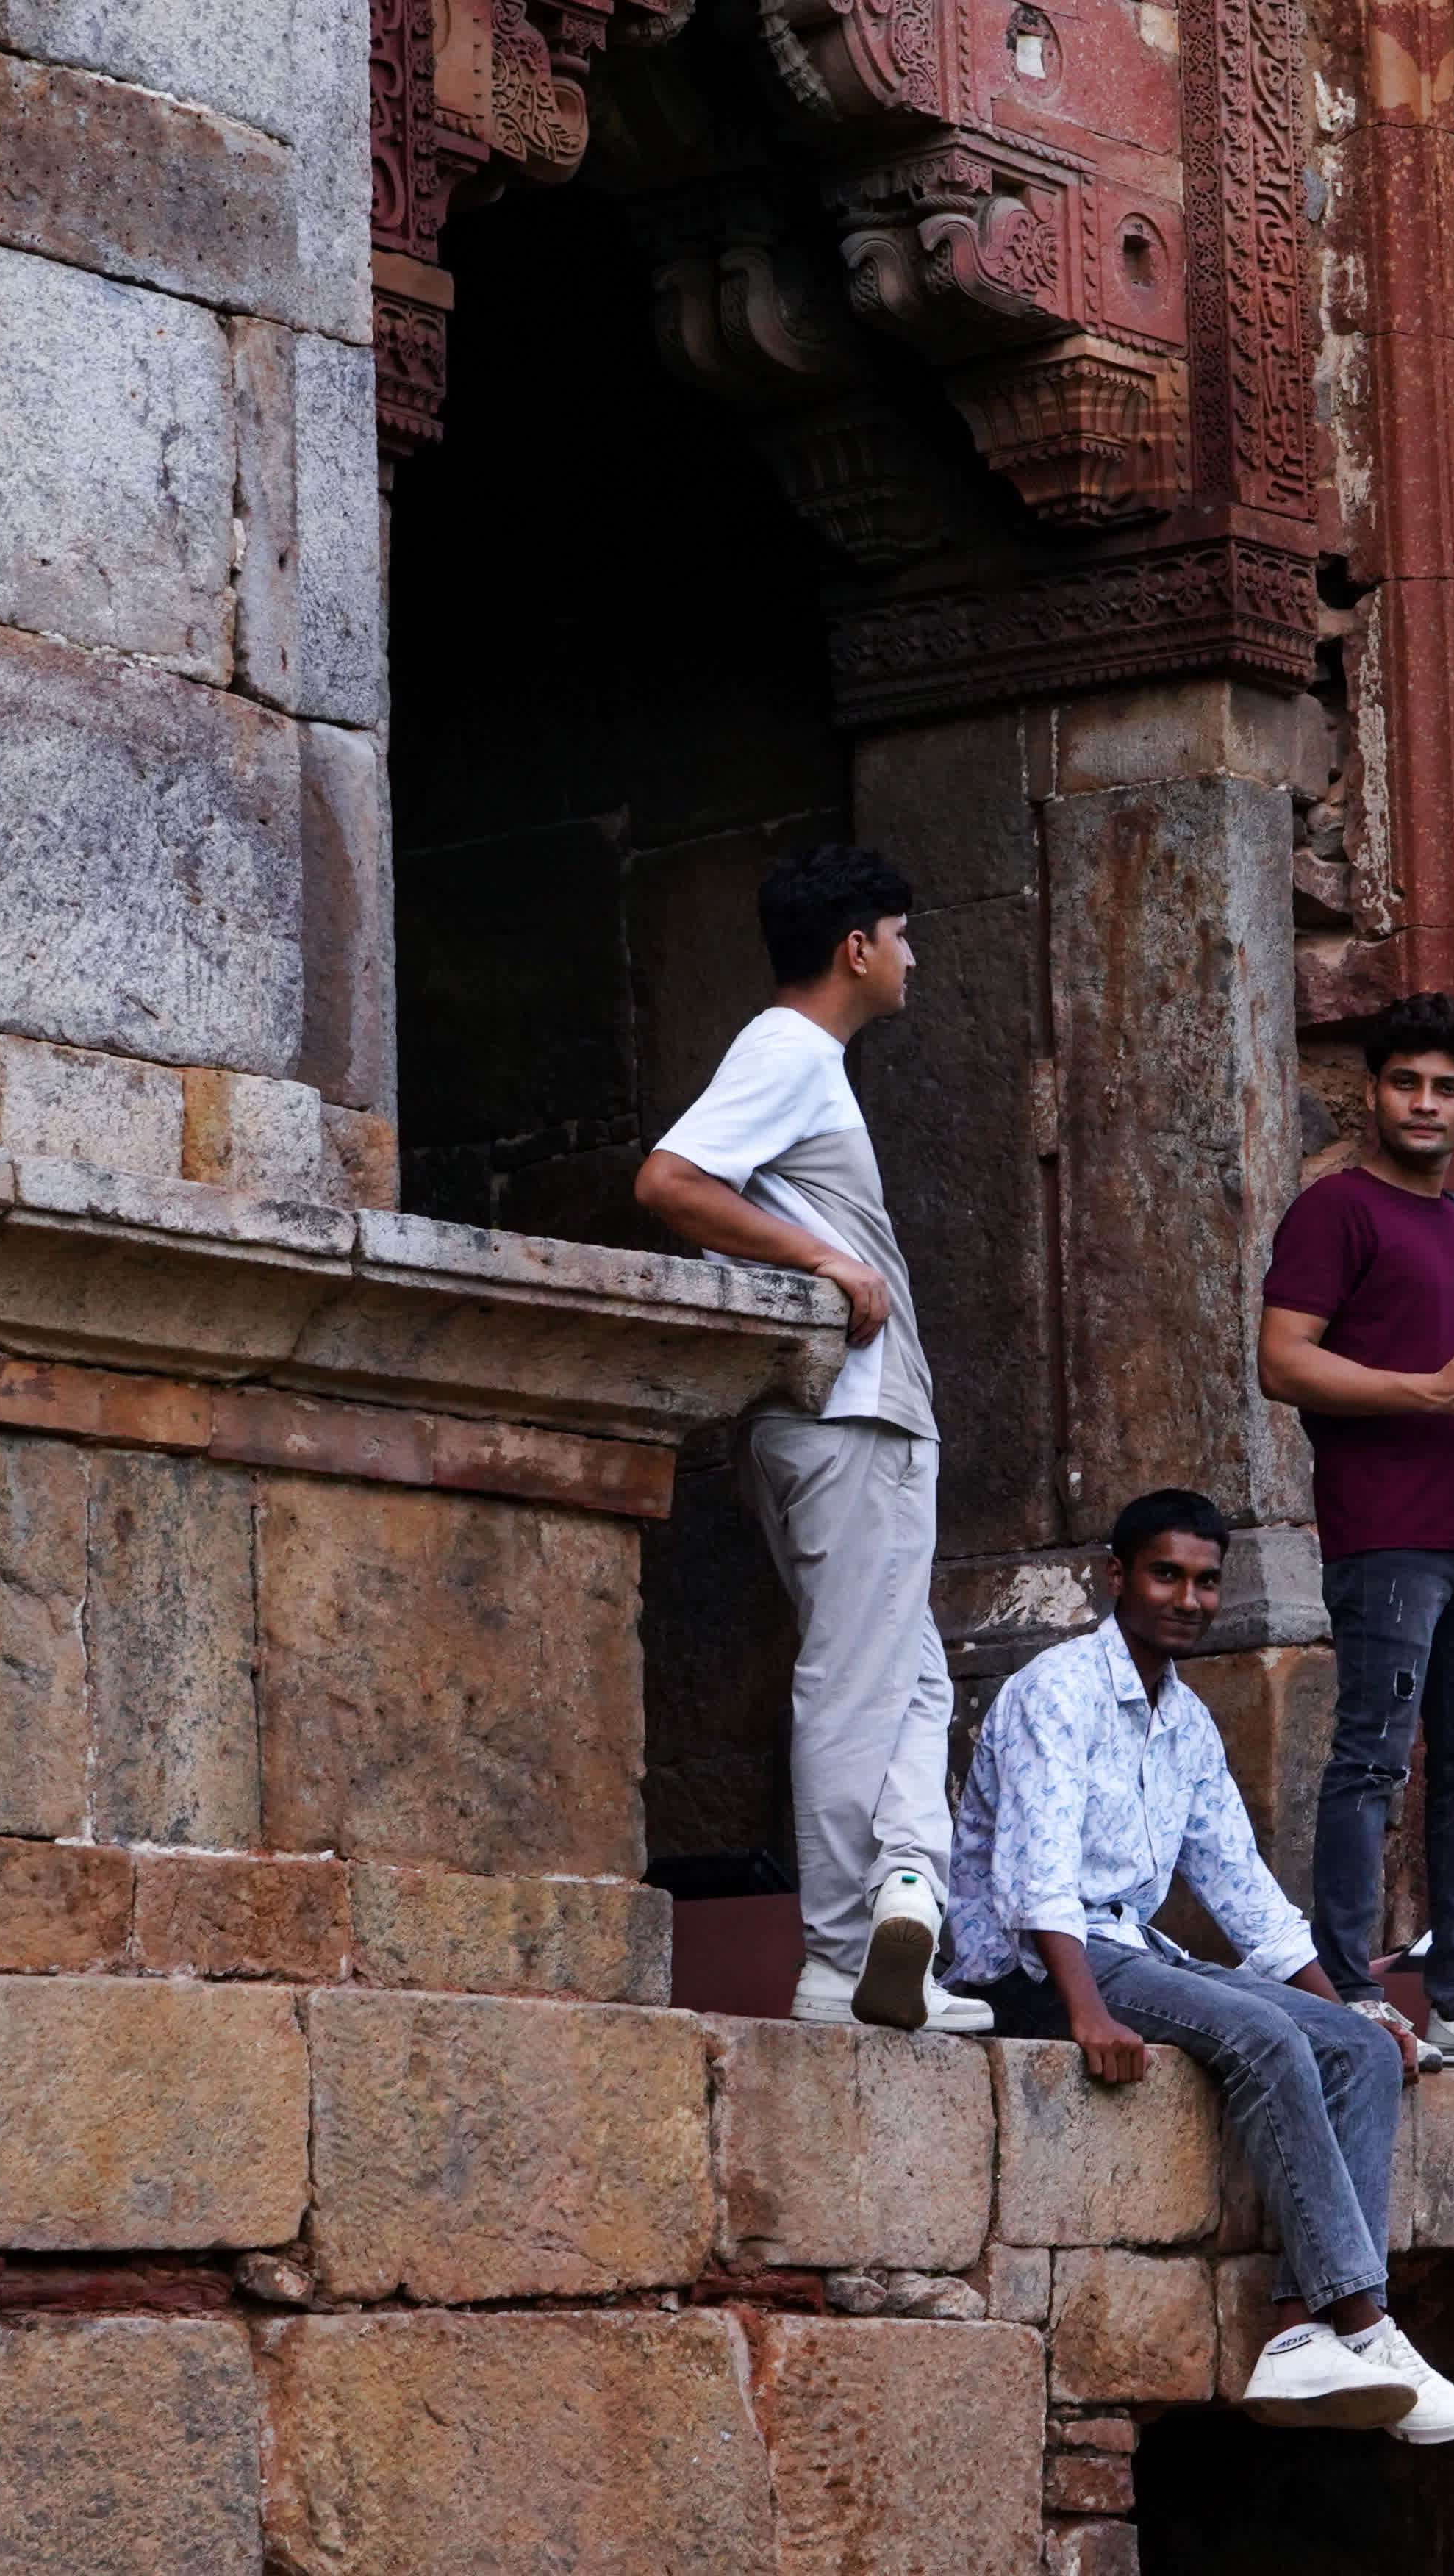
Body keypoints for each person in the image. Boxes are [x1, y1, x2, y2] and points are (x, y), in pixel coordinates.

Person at [952, 1491, 1454, 2442]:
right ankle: (1366, 2322)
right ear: (1118, 1578)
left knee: (1353, 2052)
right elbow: (1036, 1885)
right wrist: (1085, 2015)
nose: (1187, 1600)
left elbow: (1247, 1897)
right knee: (1265, 2034)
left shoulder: (1187, 1723)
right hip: (1036, 1968)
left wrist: (1353, 2012)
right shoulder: (1056, 1691)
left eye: (1204, 1582)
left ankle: (1296, 2332)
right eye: (1166, 1575)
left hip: (1134, 1952)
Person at [633, 845, 988, 2036]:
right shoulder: (790, 1048)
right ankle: (844, 1956)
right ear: (856, 947)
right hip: (852, 1415)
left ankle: (907, 1901)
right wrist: (823, 1259)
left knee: (913, 1678)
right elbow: (670, 1183)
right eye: (900, 933)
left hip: (842, 1418)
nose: (911, 954)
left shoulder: (801, 1057)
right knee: (855, 1678)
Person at [1257, 991, 1454, 2077]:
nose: (1426, 1103)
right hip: (1386, 1537)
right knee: (1371, 1761)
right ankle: (1352, 1989)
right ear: (1372, 1090)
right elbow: (1282, 1361)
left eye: (1449, 1088)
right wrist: (1428, 1392)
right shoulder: (1334, 1211)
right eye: (1407, 1082)